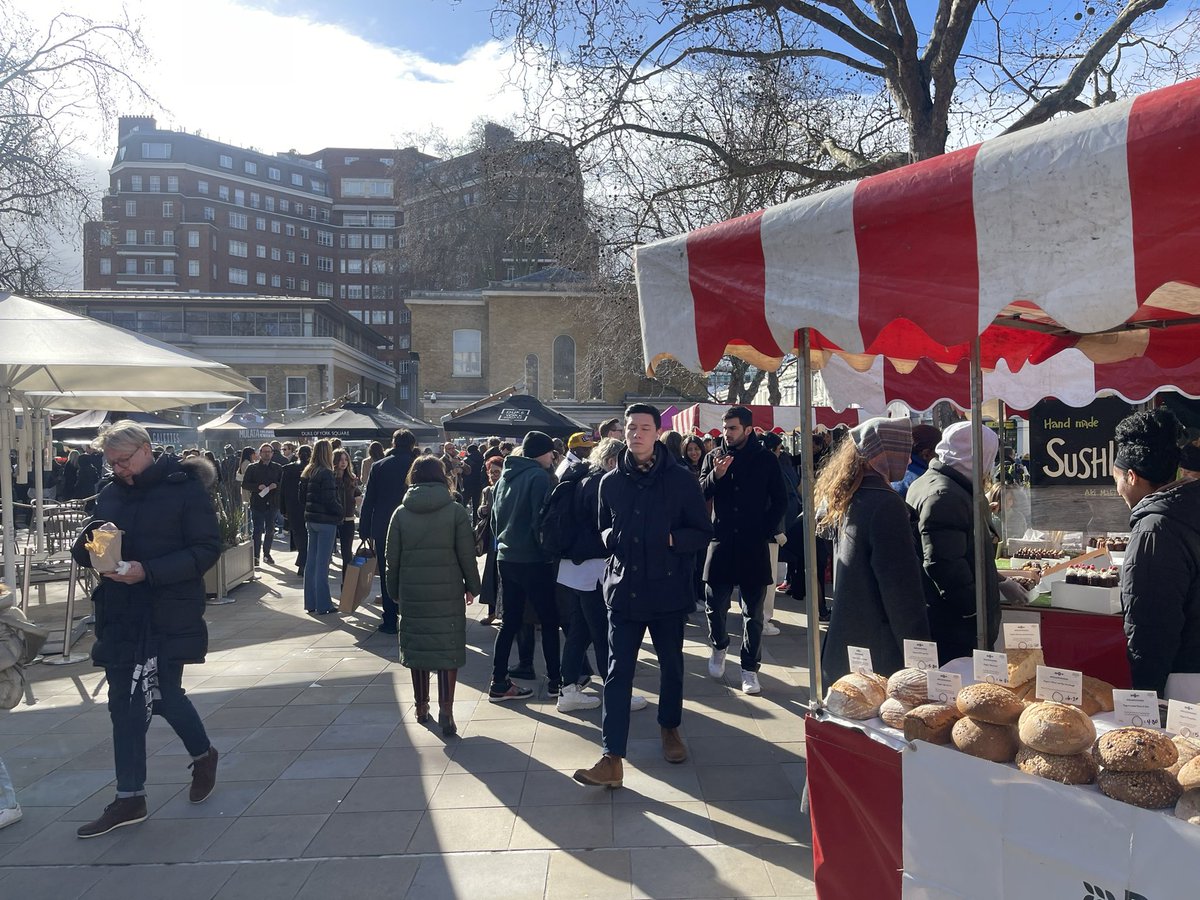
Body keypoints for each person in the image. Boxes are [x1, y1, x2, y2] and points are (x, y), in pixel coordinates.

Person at [69, 421, 221, 838]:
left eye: (123, 461)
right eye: (111, 462)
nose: (117, 468)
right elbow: (89, 546)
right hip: (120, 613)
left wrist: (147, 571)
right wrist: (93, 550)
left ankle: (201, 757)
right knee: (126, 703)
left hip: (167, 613)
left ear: (146, 449)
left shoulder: (184, 489)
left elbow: (207, 548)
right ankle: (131, 796)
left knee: (163, 695)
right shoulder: (110, 492)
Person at [574, 404, 712, 788]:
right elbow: (602, 526)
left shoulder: (681, 480)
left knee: (672, 666)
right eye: (631, 427)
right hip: (623, 591)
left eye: (644, 428)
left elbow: (701, 531)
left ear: (657, 432)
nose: (636, 434)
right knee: (617, 674)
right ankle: (611, 756)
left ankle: (669, 727)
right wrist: (612, 540)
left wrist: (672, 539)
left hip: (667, 590)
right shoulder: (611, 481)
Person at [815, 416, 931, 687]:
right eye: (904, 449)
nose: (907, 458)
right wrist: (919, 655)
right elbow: (900, 591)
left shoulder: (852, 494)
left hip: (847, 642)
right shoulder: (884, 503)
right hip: (880, 651)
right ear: (885, 452)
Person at [385, 457, 482, 737]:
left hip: (413, 591)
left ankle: (421, 706)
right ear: (443, 476)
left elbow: (392, 559)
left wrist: (394, 592)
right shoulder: (455, 511)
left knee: (419, 650)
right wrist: (472, 587)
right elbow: (467, 554)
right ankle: (447, 711)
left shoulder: (401, 513)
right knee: (447, 650)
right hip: (447, 589)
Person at [555, 437, 650, 714]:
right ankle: (615, 693)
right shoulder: (602, 483)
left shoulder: (584, 478)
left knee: (581, 632)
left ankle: (568, 689)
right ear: (612, 461)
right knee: (604, 634)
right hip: (594, 568)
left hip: (577, 568)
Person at [1113, 408, 1200, 697]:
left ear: (1131, 476)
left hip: (1183, 687)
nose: (1117, 489)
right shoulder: (1187, 507)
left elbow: (1151, 629)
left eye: (1117, 479)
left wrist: (1145, 699)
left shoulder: (1155, 528)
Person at [700, 406, 786, 695]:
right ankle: (719, 645)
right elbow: (699, 492)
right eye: (725, 428)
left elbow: (780, 500)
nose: (727, 433)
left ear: (748, 430)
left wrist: (765, 529)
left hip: (753, 543)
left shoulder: (765, 459)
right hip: (722, 541)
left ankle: (749, 668)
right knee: (715, 606)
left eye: (733, 428)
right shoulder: (713, 456)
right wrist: (716, 474)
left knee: (754, 614)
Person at [906, 421, 1002, 665]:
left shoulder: (939, 484)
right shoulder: (946, 495)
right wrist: (973, 610)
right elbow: (943, 563)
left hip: (949, 621)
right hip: (955, 627)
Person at [488, 431, 560, 701]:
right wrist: (546, 553)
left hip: (506, 558)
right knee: (550, 621)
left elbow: (495, 523)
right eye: (549, 451)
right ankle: (556, 682)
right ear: (540, 452)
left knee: (510, 622)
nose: (553, 456)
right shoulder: (538, 477)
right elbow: (539, 522)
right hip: (533, 559)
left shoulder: (505, 477)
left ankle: (498, 682)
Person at [359, 429, 419, 634]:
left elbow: (369, 501)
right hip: (414, 524)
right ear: (412, 444)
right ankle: (411, 616)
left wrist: (364, 528)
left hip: (384, 525)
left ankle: (390, 618)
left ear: (393, 443)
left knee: (387, 572)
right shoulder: (417, 465)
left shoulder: (379, 466)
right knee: (412, 571)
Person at [299, 439, 342, 616]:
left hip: (311, 519)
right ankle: (324, 604)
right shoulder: (326, 473)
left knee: (311, 562)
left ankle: (311, 602)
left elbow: (302, 498)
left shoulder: (309, 472)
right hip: (325, 521)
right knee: (322, 564)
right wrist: (340, 512)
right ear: (328, 453)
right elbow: (330, 500)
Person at [474, 454, 505, 625]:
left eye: (496, 472)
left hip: (503, 538)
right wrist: (482, 510)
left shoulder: (506, 488)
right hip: (492, 539)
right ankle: (492, 611)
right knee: (491, 576)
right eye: (490, 472)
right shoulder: (488, 491)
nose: (493, 475)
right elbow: (480, 513)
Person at [241, 442, 283, 567]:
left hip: (272, 503)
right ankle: (256, 556)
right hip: (257, 503)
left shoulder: (277, 467)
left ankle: (267, 554)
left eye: (269, 452)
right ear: (260, 453)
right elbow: (245, 484)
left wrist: (276, 485)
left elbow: (283, 484)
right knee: (257, 531)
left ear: (272, 453)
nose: (267, 454)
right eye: (264, 452)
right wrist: (257, 487)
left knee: (270, 530)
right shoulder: (252, 468)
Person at [279, 444, 311, 576]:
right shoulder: (313, 469)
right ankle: (304, 561)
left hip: (293, 507)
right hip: (309, 506)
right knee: (309, 535)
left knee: (299, 534)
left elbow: (282, 491)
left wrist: (283, 508)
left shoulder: (288, 469)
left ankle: (302, 561)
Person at [891, 424, 943, 500]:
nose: (941, 456)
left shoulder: (895, 473)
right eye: (939, 452)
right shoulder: (926, 481)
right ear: (926, 454)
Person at [332, 448, 361, 577]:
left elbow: (357, 494)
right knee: (326, 553)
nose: (343, 463)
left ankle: (347, 583)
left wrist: (358, 499)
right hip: (332, 520)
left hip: (348, 519)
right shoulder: (330, 478)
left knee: (347, 554)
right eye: (340, 460)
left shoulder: (351, 478)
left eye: (346, 460)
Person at [462, 442, 486, 521]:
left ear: (468, 451)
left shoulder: (466, 459)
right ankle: (475, 521)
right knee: (476, 504)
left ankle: (461, 519)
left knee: (463, 503)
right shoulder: (482, 458)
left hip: (468, 484)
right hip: (478, 484)